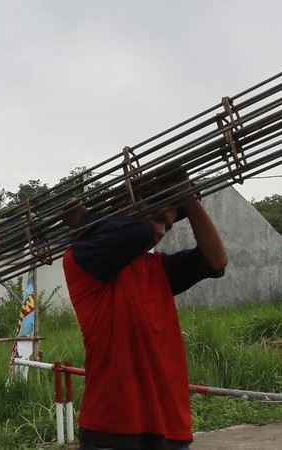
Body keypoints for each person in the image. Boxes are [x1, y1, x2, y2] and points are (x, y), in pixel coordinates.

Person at [62, 174, 228, 450]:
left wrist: (187, 195)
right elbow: (136, 233)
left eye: (168, 225)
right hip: (111, 427)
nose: (162, 231)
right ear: (126, 209)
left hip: (169, 425)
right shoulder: (84, 258)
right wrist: (85, 220)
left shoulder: (158, 268)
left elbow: (216, 261)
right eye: (157, 217)